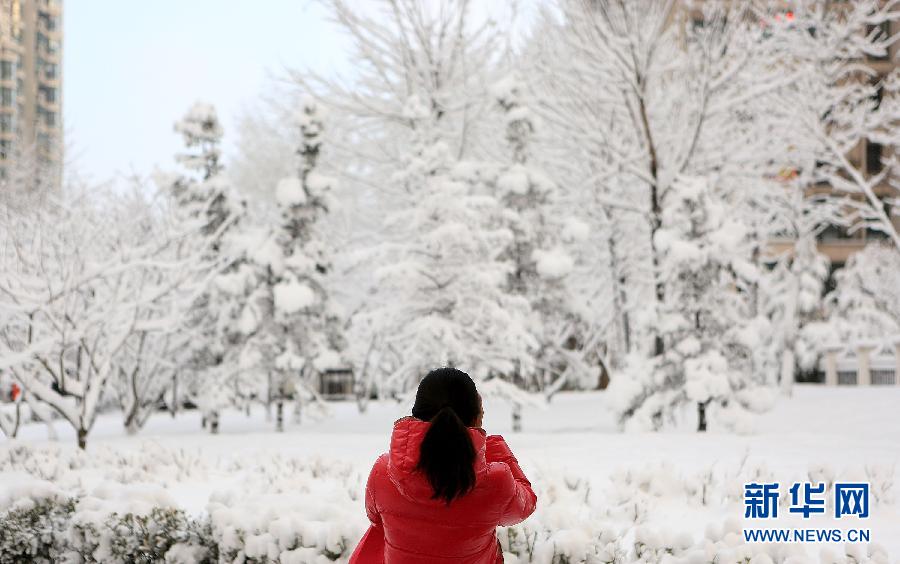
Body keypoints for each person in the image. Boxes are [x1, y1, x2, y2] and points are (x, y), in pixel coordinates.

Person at [349, 367, 537, 564]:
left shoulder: (382, 472)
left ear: (416, 413)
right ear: (476, 418)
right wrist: (491, 444)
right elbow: (525, 505)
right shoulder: (497, 481)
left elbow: (376, 519)